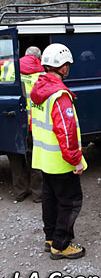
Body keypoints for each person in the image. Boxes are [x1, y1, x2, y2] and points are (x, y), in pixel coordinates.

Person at [30, 43, 87, 260]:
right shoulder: (59, 95)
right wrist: (76, 160)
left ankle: (51, 238)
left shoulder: (38, 88)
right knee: (70, 201)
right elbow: (67, 130)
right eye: (68, 65)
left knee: (50, 198)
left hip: (45, 159)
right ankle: (61, 245)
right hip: (61, 161)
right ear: (63, 67)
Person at [7, 46, 44, 202]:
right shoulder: (43, 73)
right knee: (36, 158)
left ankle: (21, 191)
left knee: (15, 157)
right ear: (39, 57)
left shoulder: (10, 69)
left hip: (12, 122)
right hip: (34, 124)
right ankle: (38, 194)